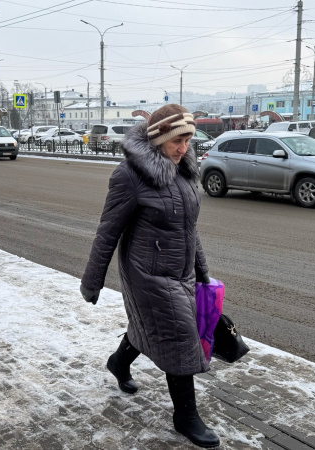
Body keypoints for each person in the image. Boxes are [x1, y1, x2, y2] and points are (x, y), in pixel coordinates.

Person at [80, 104, 218, 448]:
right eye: (177, 140)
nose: (184, 148)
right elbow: (108, 230)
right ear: (158, 138)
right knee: (180, 337)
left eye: (188, 140)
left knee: (151, 329)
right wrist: (92, 280)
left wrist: (202, 271)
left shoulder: (184, 172)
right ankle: (186, 416)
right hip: (147, 274)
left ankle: (118, 362)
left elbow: (189, 229)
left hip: (181, 272)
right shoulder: (129, 175)